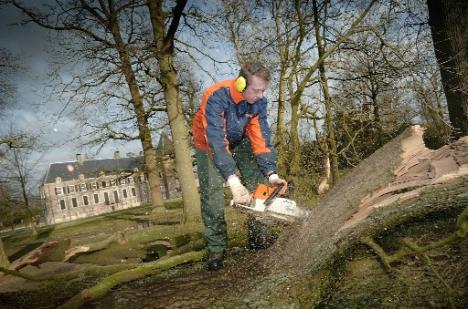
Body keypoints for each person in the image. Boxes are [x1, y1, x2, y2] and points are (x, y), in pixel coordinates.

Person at [192, 61, 287, 271]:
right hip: (208, 143)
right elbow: (216, 140)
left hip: (240, 139)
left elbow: (260, 137)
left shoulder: (258, 103)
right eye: (257, 90)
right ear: (242, 83)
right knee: (212, 192)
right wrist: (233, 182)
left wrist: (272, 174)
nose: (261, 95)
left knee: (259, 183)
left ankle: (258, 235)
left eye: (263, 90)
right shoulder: (216, 96)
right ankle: (216, 247)